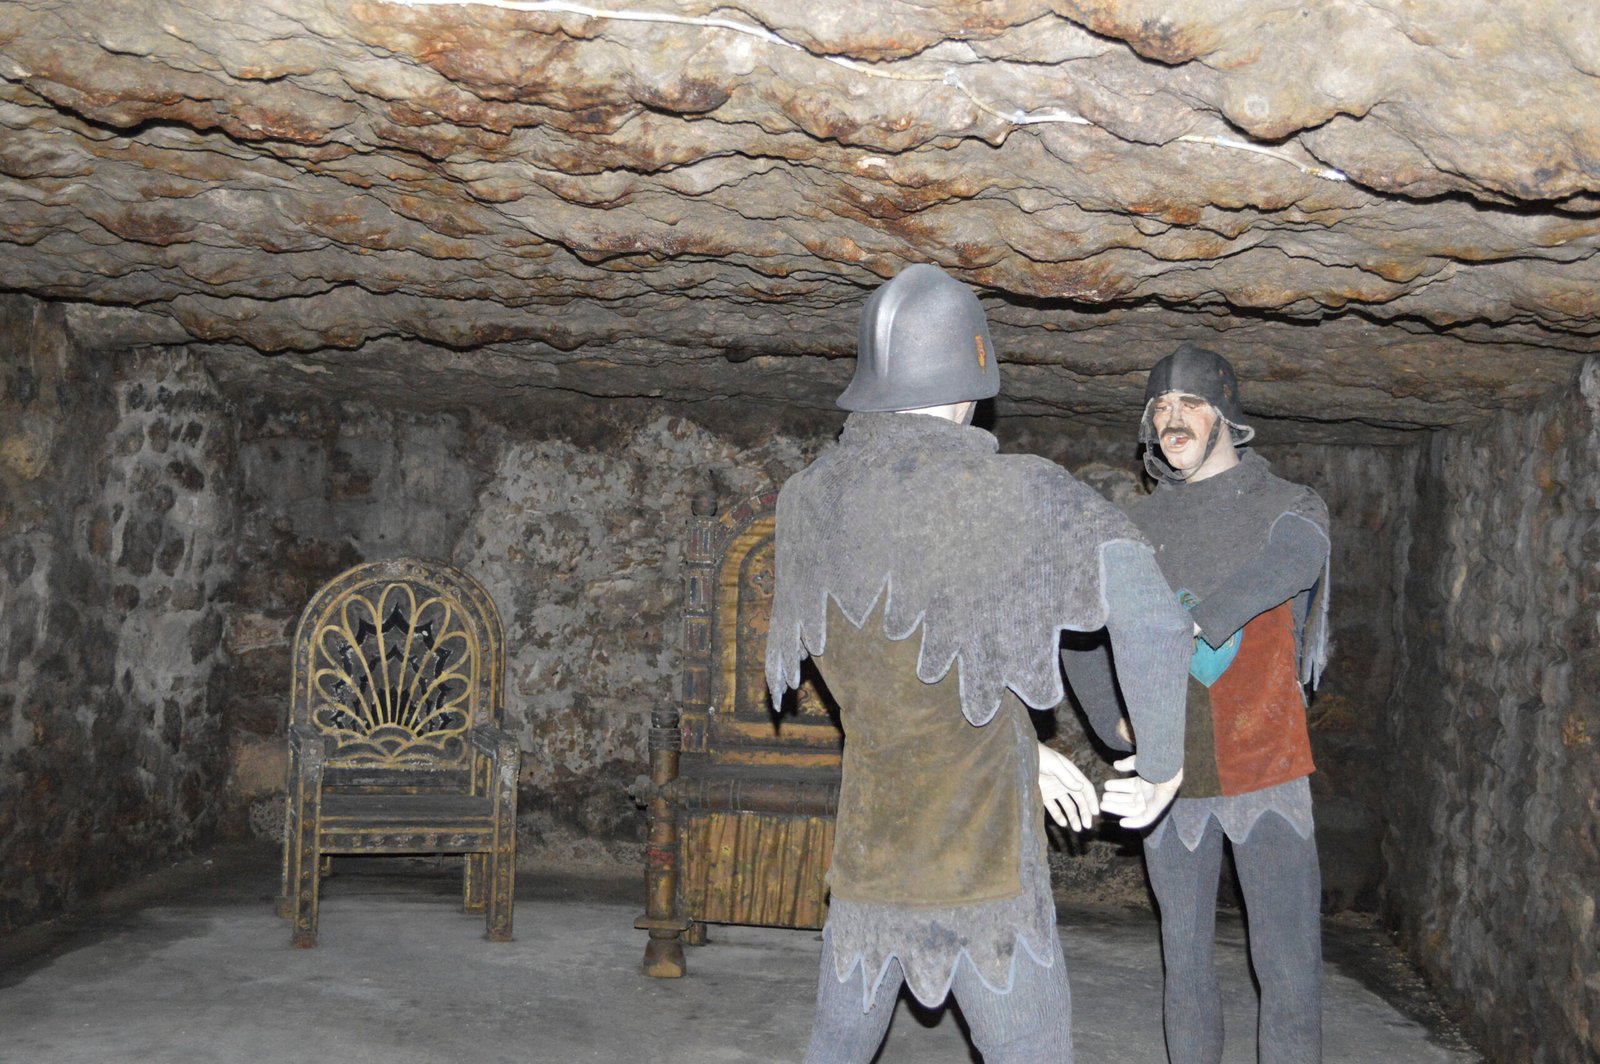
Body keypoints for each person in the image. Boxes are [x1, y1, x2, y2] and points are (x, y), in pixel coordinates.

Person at [765, 263, 1191, 1064]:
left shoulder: (806, 501)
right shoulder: (1015, 491)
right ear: (972, 383)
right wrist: (1162, 759)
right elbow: (1150, 613)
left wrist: (1021, 751)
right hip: (983, 867)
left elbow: (892, 682)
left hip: (873, 855)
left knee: (835, 1050)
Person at [1064, 343, 1332, 1064]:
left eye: (1188, 405)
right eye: (1160, 407)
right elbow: (1078, 630)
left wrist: (1195, 619)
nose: (1170, 419)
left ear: (1227, 417)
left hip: (1268, 765)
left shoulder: (1289, 504)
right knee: (1183, 961)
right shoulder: (1135, 527)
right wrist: (1111, 723)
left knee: (1287, 968)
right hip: (1171, 773)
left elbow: (1294, 563)